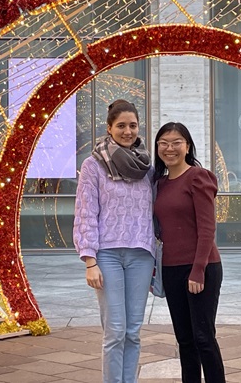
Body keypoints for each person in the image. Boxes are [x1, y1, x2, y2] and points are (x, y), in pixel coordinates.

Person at [73, 99, 156, 383]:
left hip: (141, 255)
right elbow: (86, 213)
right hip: (106, 255)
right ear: (109, 128)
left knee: (133, 331)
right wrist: (90, 261)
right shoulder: (93, 166)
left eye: (132, 125)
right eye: (121, 125)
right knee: (115, 331)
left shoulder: (147, 167)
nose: (128, 131)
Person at [153, 122, 225, 383]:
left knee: (203, 337)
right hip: (171, 269)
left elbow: (207, 228)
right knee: (184, 339)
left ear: (187, 146)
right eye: (163, 143)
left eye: (176, 142)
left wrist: (198, 271)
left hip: (201, 267)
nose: (169, 148)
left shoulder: (197, 176)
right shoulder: (159, 183)